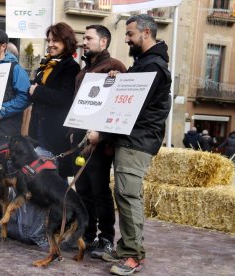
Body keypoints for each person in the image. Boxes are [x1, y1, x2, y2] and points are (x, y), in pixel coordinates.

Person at [99, 15, 172, 275]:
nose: (127, 38)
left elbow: (132, 106)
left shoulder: (152, 66)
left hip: (137, 140)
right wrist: (123, 78)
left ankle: (133, 255)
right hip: (132, 138)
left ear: (146, 33)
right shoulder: (145, 63)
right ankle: (125, 246)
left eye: (130, 34)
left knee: (129, 197)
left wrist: (103, 133)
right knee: (124, 194)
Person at [70, 24, 126, 257]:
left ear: (103, 42)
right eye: (84, 37)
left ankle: (106, 238)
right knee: (82, 189)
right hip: (81, 141)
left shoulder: (114, 67)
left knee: (100, 191)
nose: (84, 41)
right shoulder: (84, 71)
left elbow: (122, 104)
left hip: (100, 144)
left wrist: (102, 135)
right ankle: (88, 234)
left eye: (89, 38)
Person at [0, 28, 31, 227]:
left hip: (6, 132)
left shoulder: (15, 69)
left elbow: (25, 97)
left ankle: (5, 218)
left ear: (3, 47)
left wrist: (1, 111)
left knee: (4, 177)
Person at [28, 22, 80, 179]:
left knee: (54, 178)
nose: (50, 44)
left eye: (55, 41)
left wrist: (38, 91)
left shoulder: (71, 67)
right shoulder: (46, 64)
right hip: (38, 127)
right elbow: (34, 88)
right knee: (37, 176)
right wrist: (33, 90)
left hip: (55, 131)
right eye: (49, 40)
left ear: (66, 41)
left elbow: (64, 97)